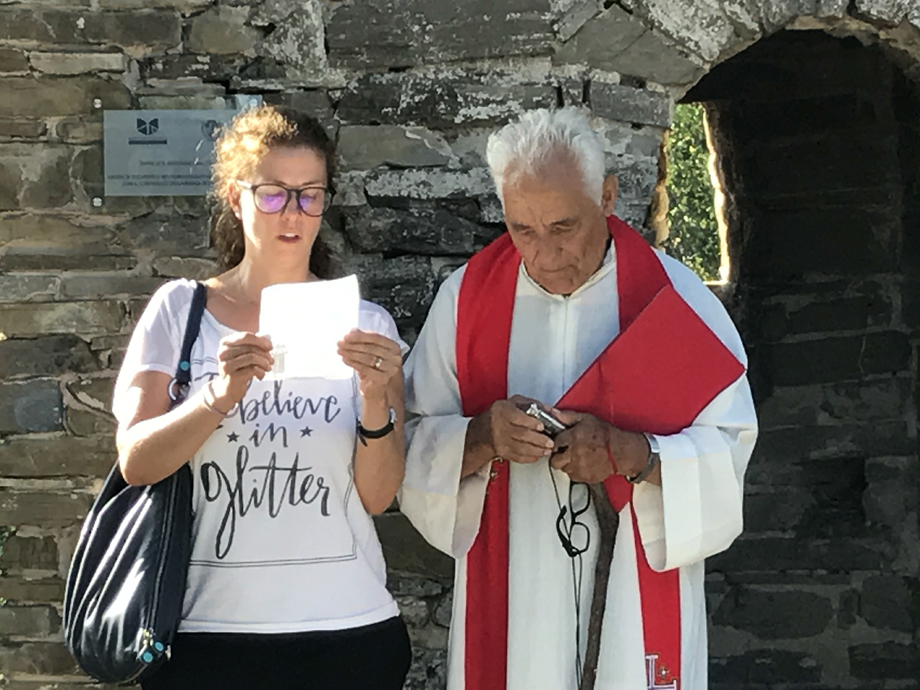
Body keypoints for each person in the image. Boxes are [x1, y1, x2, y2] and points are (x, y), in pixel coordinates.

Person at [398, 107, 758, 690]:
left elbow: (729, 450)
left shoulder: (676, 299)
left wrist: (631, 454)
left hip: (633, 601)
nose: (543, 254)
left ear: (609, 197)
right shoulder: (467, 302)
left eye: (563, 227)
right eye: (522, 230)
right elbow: (407, 439)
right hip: (513, 590)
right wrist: (485, 437)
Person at [112, 105, 411, 690]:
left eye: (310, 195)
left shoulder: (365, 322)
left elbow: (377, 497)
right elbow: (137, 462)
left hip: (347, 630)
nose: (293, 214)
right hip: (206, 635)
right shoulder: (181, 311)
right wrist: (217, 397)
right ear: (235, 196)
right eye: (273, 195)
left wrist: (376, 401)